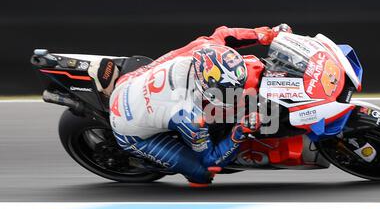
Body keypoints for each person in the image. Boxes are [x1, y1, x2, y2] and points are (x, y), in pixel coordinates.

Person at [107, 24, 292, 186]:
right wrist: (240, 131)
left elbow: (225, 34)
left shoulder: (205, 49)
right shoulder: (189, 117)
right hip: (127, 127)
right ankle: (141, 161)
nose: (237, 92)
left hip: (130, 80)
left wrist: (266, 34)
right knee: (202, 174)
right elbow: (211, 160)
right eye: (225, 90)